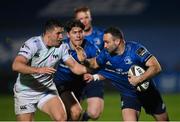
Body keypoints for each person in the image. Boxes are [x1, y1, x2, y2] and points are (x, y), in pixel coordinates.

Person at [78, 27, 169, 121]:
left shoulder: (135, 50)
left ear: (117, 41)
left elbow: (156, 67)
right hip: (128, 96)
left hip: (148, 93)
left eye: (107, 42)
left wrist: (139, 79)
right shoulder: (105, 54)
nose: (104, 45)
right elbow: (94, 63)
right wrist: (84, 61)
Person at [12, 19, 88, 121]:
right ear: (48, 34)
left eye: (62, 33)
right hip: (25, 92)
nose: (61, 37)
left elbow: (75, 67)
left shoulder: (61, 47)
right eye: (58, 34)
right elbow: (16, 65)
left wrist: (88, 64)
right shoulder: (33, 44)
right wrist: (38, 70)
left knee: (61, 118)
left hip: (46, 90)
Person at [53, 19, 104, 121]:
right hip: (62, 84)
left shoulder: (91, 49)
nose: (78, 35)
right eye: (74, 32)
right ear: (68, 34)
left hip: (80, 85)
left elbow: (100, 68)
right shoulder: (60, 46)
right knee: (74, 112)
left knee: (75, 116)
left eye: (80, 32)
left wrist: (86, 64)